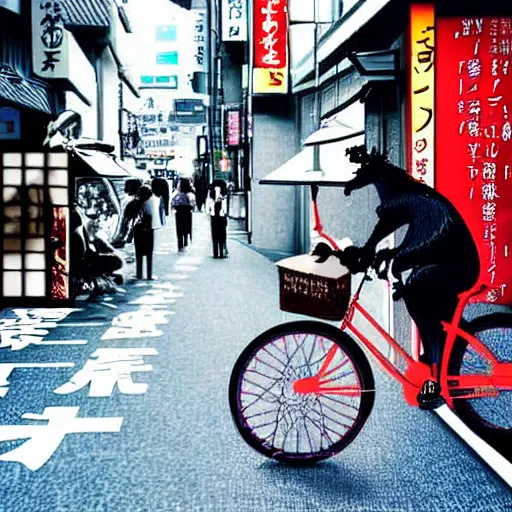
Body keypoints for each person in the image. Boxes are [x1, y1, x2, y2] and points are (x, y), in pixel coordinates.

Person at [133, 185, 161, 280]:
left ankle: (139, 274)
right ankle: (149, 275)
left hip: (137, 230)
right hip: (149, 230)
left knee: (138, 253)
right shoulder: (151, 202)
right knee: (149, 254)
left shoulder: (137, 203)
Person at [171, 178, 196, 252]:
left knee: (179, 229)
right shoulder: (191, 195)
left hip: (179, 214)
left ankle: (180, 245)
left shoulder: (176, 195)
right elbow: (193, 205)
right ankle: (185, 241)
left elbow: (173, 204)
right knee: (186, 228)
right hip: (188, 214)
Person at [207, 181, 228, 259]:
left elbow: (208, 206)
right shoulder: (224, 196)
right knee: (222, 234)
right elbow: (225, 209)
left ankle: (216, 253)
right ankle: (221, 253)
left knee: (215, 234)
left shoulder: (211, 195)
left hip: (214, 216)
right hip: (221, 216)